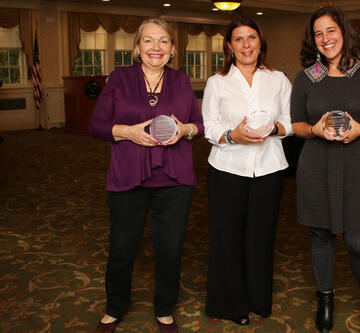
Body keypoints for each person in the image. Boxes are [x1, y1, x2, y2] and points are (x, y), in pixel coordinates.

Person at [88, 18, 204, 333]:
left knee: (170, 248)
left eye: (164, 41)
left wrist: (185, 130)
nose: (156, 47)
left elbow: (199, 125)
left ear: (173, 49)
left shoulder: (181, 80)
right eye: (149, 41)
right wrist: (127, 132)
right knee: (123, 247)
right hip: (128, 178)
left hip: (175, 180)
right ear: (137, 48)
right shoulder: (119, 79)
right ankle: (114, 308)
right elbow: (96, 126)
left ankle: (165, 309)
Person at [290, 6, 360, 333]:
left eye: (331, 30)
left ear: (344, 32)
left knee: (358, 241)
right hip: (316, 162)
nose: (325, 39)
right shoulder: (306, 77)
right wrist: (315, 129)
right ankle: (325, 298)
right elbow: (297, 124)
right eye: (318, 33)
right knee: (320, 234)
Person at [202, 17, 292, 326]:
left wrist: (274, 128)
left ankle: (258, 299)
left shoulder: (278, 79)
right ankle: (231, 304)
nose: (246, 45)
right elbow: (209, 126)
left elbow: (292, 121)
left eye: (251, 38)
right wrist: (233, 135)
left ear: (260, 42)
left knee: (260, 237)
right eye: (238, 39)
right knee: (228, 238)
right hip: (227, 168)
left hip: (269, 169)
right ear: (229, 45)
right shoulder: (217, 82)